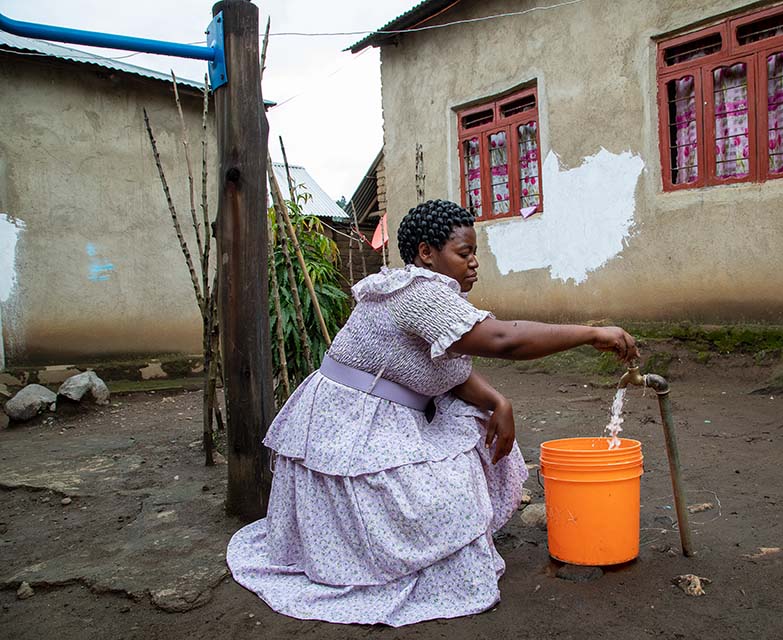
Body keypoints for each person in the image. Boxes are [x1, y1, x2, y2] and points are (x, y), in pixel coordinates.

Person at [227, 199, 638, 626]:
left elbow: (446, 367)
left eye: (475, 252)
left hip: (380, 417)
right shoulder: (415, 294)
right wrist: (591, 333)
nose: (475, 263)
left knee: (473, 438)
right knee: (450, 498)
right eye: (464, 253)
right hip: (348, 429)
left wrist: (498, 401)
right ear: (427, 253)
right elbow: (502, 340)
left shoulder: (425, 294)